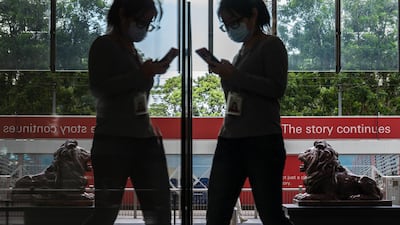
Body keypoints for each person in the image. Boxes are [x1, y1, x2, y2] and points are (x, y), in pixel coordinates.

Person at [204, 0, 293, 225]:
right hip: (230, 138)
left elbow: (276, 87)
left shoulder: (271, 45)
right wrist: (227, 75)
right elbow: (236, 96)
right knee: (216, 210)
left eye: (234, 22)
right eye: (226, 25)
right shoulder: (241, 52)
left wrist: (233, 75)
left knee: (270, 212)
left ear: (253, 15)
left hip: (261, 139)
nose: (231, 29)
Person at [84, 0, 173, 225]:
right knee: (106, 211)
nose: (144, 27)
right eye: (142, 21)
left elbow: (135, 95)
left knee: (158, 210)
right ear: (123, 14)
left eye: (149, 23)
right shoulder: (104, 45)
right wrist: (141, 74)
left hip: (143, 138)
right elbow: (100, 88)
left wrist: (147, 74)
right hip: (115, 139)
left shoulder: (133, 51)